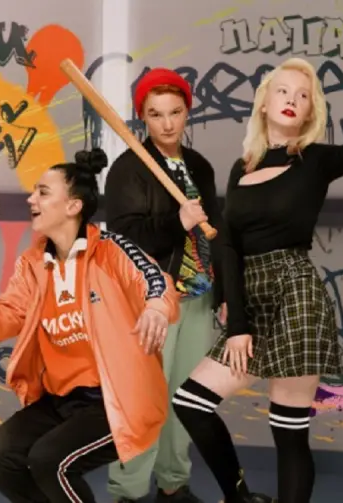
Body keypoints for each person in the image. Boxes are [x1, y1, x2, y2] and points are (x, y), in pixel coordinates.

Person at [171, 57, 343, 503]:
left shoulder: (315, 160)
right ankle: (240, 498)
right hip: (250, 297)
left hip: (296, 294)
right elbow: (228, 244)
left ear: (309, 111)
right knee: (191, 402)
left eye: (303, 96)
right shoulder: (243, 166)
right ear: (264, 103)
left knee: (288, 430)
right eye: (283, 91)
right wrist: (234, 315)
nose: (292, 100)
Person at [0, 148, 180, 503]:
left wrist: (156, 308)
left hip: (117, 399)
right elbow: (3, 321)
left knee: (48, 461)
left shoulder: (111, 250)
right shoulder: (33, 264)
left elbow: (156, 281)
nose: (31, 199)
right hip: (61, 400)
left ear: (73, 206)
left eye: (43, 192)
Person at [104, 68, 270, 503]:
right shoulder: (129, 168)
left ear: (186, 112)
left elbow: (217, 234)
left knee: (184, 399)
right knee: (144, 398)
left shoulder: (198, 166)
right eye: (156, 114)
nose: (167, 124)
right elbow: (122, 238)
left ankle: (173, 483)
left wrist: (225, 294)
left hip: (197, 297)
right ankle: (127, 492)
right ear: (143, 117)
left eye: (175, 112)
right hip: (153, 300)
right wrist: (176, 221)